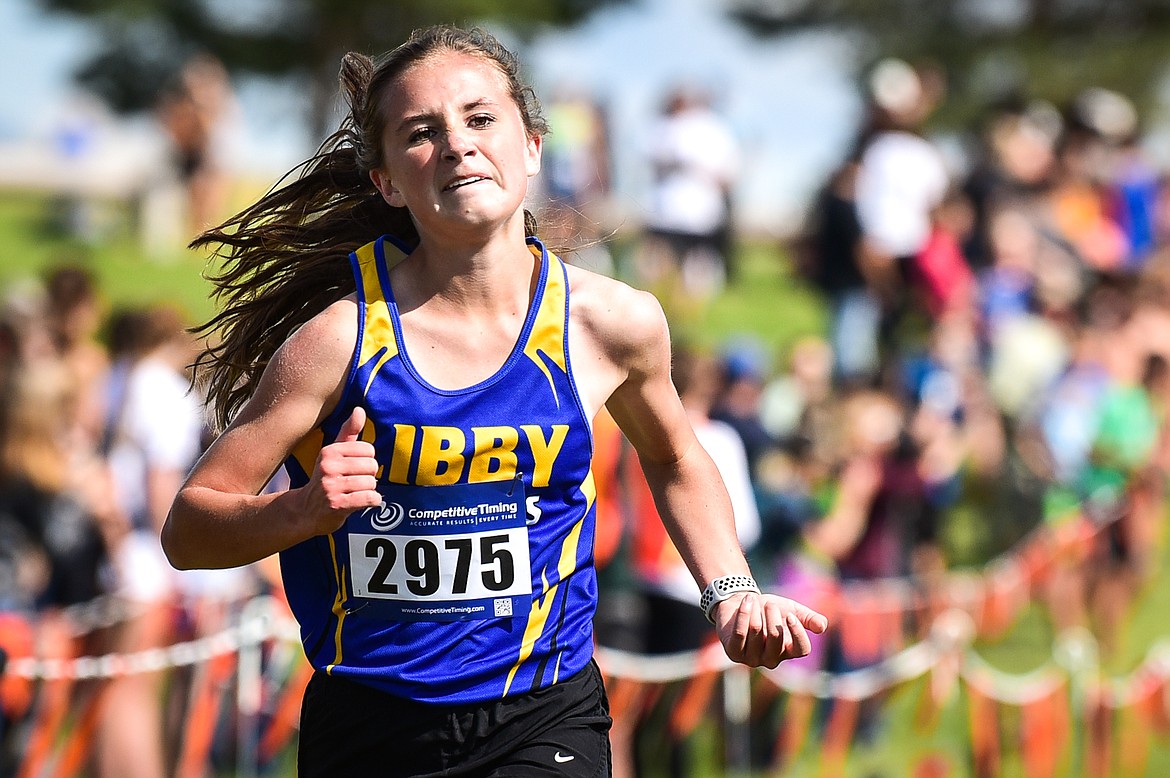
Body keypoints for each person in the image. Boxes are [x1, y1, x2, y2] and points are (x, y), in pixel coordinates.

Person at [161, 25, 826, 776]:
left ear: (533, 146)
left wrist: (731, 591)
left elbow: (673, 455)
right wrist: (302, 512)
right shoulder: (337, 342)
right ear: (386, 181)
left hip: (543, 713)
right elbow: (189, 529)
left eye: (480, 119)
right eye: (422, 132)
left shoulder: (611, 324)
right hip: (371, 720)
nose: (456, 144)